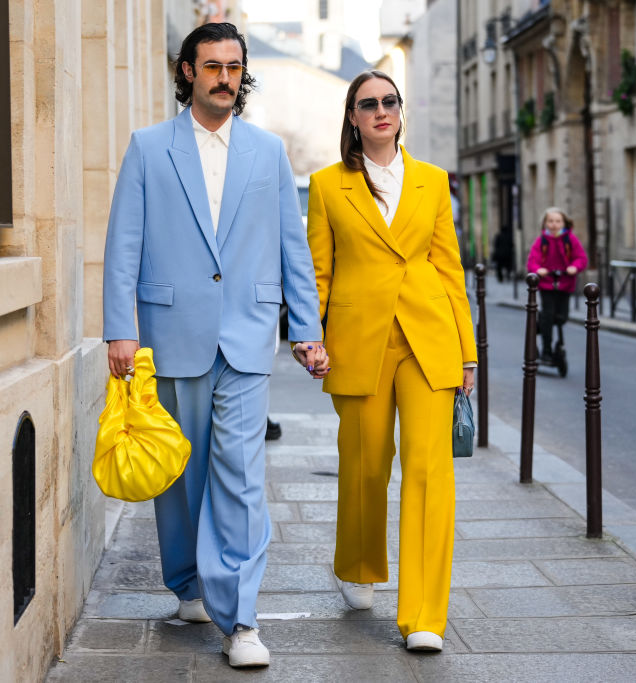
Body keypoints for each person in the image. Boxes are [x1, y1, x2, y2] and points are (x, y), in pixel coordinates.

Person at [102, 22, 328, 669]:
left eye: (234, 66)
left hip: (248, 336)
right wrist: (122, 327)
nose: (225, 77)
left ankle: (241, 617)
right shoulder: (148, 148)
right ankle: (188, 582)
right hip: (171, 331)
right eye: (212, 67)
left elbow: (292, 247)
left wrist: (306, 328)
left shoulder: (268, 151)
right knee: (179, 473)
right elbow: (124, 245)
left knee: (239, 477)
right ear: (187, 71)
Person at [305, 70, 477, 652]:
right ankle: (356, 564)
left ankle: (425, 614)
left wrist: (468, 354)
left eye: (390, 102)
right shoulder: (328, 185)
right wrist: (311, 334)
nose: (381, 111)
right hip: (359, 340)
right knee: (366, 464)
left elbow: (450, 268)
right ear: (353, 118)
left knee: (431, 472)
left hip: (429, 339)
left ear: (402, 112)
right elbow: (318, 271)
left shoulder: (433, 181)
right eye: (368, 104)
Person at [525, 207, 588, 362]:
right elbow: (532, 261)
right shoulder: (542, 241)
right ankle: (546, 350)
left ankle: (540, 324)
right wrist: (538, 270)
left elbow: (581, 258)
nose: (554, 225)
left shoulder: (570, 239)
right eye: (551, 221)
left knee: (561, 317)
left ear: (564, 223)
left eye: (558, 221)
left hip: (565, 284)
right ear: (545, 223)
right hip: (546, 284)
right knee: (548, 314)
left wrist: (575, 267)